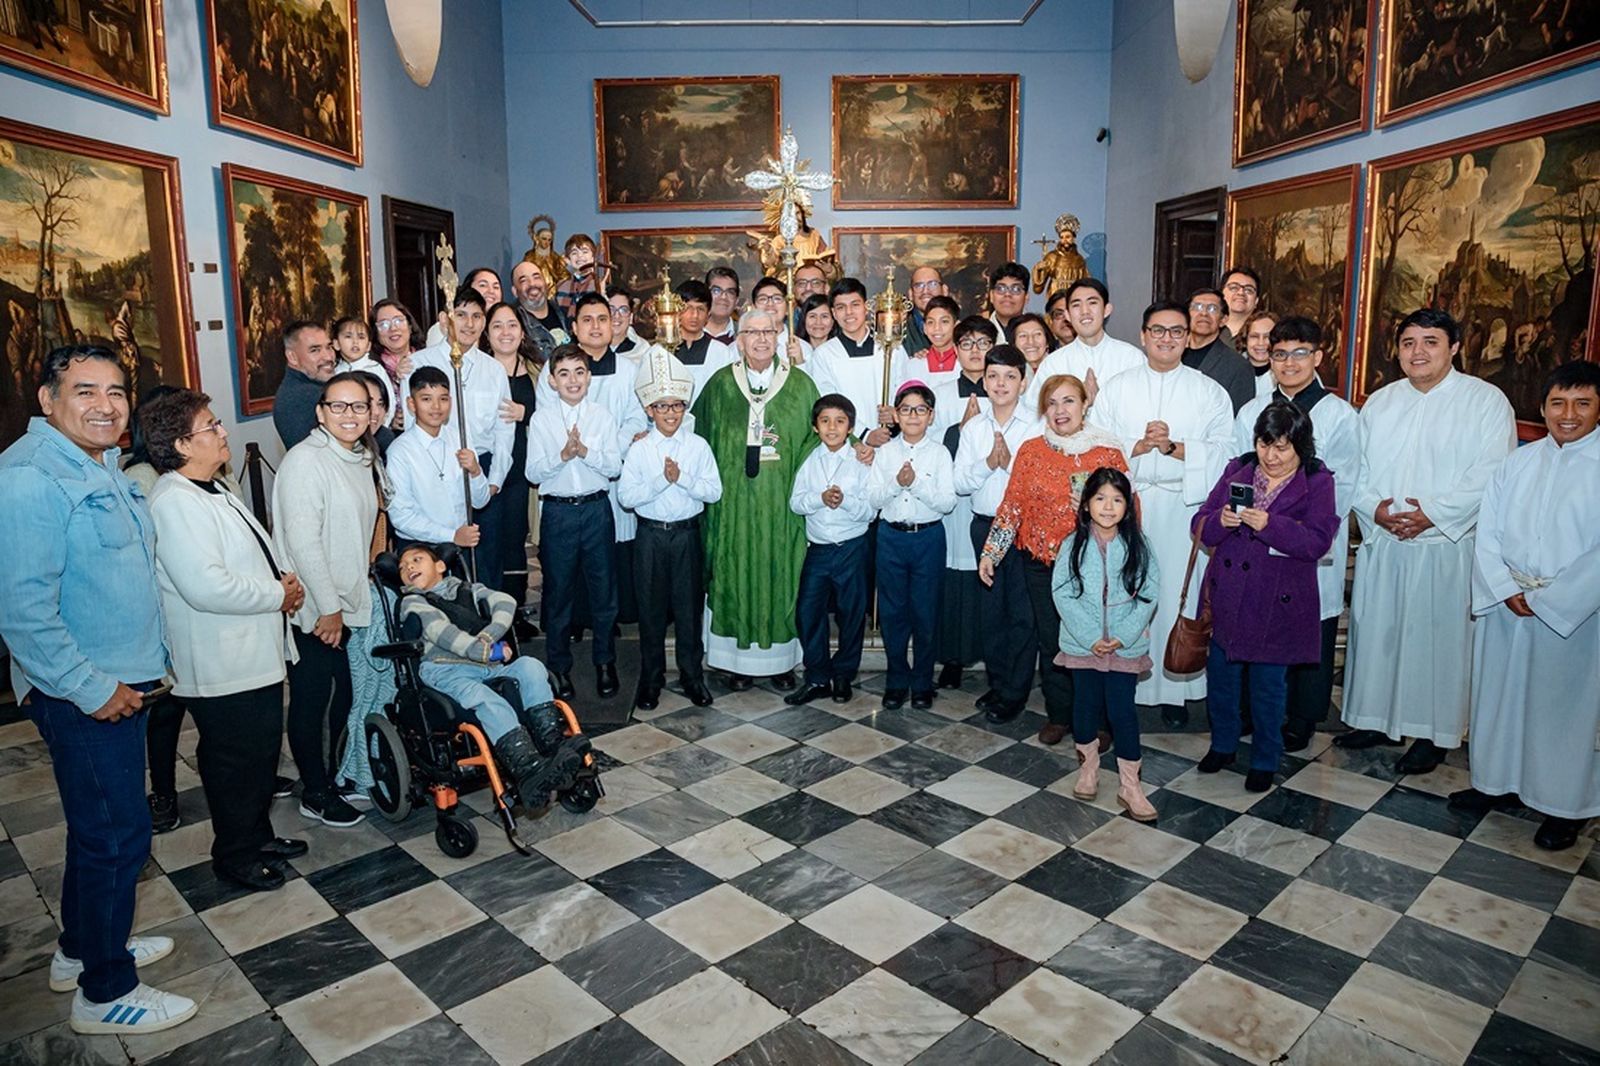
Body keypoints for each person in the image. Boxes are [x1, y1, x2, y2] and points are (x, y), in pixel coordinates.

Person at [0, 345, 197, 1034]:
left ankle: (82, 949)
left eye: (116, 391)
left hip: (120, 681)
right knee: (117, 834)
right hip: (85, 693)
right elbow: (24, 611)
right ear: (48, 398)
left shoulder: (99, 464)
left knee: (99, 831)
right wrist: (91, 687)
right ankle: (105, 992)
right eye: (85, 391)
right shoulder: (29, 479)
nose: (105, 405)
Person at [1337, 309, 1517, 774]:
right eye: (1409, 342)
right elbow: (1356, 469)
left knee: (1434, 642)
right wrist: (1375, 508)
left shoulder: (1485, 401)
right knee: (1380, 633)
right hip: (1386, 540)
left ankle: (1431, 733)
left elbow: (1493, 473)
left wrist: (1431, 514)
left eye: (1430, 342)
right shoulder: (1380, 402)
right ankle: (1374, 718)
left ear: (1454, 348)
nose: (1418, 352)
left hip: (1445, 547)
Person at [142, 389, 306, 892]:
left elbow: (255, 550)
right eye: (211, 426)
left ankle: (257, 836)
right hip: (221, 659)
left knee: (258, 755)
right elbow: (206, 586)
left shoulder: (213, 487)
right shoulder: (173, 501)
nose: (223, 431)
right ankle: (235, 855)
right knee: (234, 762)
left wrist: (282, 579)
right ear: (182, 444)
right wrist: (276, 593)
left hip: (250, 650)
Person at [1454, 361, 1600, 851]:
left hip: (1571, 613)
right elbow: (1488, 530)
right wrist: (1502, 587)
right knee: (1499, 698)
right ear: (1542, 408)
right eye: (1558, 403)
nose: (1568, 414)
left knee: (1562, 709)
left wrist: (1552, 600)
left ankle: (1565, 805)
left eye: (1582, 403)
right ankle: (1495, 783)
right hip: (1509, 600)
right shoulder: (1518, 462)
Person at [1092, 301, 1235, 726]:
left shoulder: (1208, 391)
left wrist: (1174, 448)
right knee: (1124, 595)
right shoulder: (1118, 387)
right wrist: (1136, 445)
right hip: (1127, 508)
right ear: (1142, 335)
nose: (1166, 339)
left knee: (1177, 593)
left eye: (1176, 331)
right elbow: (1098, 444)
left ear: (1188, 338)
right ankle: (1123, 684)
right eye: (1158, 330)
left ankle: (1175, 691)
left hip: (1181, 507)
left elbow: (1227, 452)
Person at [1194, 402, 1340, 791]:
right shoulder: (1237, 470)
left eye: (1281, 448)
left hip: (1278, 599)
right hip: (1229, 594)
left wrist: (1271, 525)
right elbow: (1200, 525)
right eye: (1264, 444)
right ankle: (1222, 745)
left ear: (1300, 447)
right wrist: (1218, 522)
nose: (1271, 457)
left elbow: (1319, 541)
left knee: (1268, 687)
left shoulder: (1317, 480)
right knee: (1222, 680)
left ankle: (1264, 759)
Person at [1233, 316, 1358, 751]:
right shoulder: (1252, 411)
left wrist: (1290, 528)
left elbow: (1344, 485)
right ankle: (1253, 711)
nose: (1288, 363)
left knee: (1308, 627)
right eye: (1280, 353)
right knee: (1258, 621)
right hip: (1257, 537)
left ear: (1318, 357)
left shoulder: (1339, 415)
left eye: (1299, 353)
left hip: (1307, 542)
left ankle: (1302, 716)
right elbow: (1239, 474)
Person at [980, 374, 1127, 737]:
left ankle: (1098, 721)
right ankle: (1060, 714)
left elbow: (1129, 507)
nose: (1060, 411)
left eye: (1069, 401)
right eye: (1052, 403)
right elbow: (1012, 506)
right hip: (1041, 563)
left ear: (1084, 404)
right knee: (1052, 642)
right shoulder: (1031, 450)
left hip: (1094, 564)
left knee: (1094, 642)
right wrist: (991, 552)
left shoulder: (1106, 451)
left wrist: (1094, 509)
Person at [271, 372, 384, 828]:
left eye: (358, 406)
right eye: (338, 406)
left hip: (346, 601)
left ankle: (332, 777)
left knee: (344, 695)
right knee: (313, 698)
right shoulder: (306, 462)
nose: (349, 415)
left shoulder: (357, 457)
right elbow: (303, 542)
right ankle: (315, 791)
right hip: (317, 609)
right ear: (320, 412)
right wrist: (329, 608)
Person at [395, 544, 588, 804]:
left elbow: (505, 602)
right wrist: (486, 651)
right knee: (486, 699)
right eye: (403, 567)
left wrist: (488, 637)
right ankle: (527, 769)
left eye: (417, 560)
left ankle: (553, 746)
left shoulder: (468, 590)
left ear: (440, 566)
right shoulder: (412, 602)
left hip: (485, 665)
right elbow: (443, 633)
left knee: (530, 666)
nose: (409, 567)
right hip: (445, 669)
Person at [693, 308, 821, 689]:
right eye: (752, 332)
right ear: (740, 339)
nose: (762, 339)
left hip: (781, 507)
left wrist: (856, 448)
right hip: (733, 507)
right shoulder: (719, 385)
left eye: (768, 331)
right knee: (734, 572)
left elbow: (820, 437)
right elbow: (697, 436)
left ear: (779, 335)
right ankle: (735, 663)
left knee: (781, 575)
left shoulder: (800, 385)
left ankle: (780, 663)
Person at [1052, 467, 1159, 820]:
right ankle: (1089, 768)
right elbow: (1063, 595)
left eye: (1117, 500)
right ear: (1085, 505)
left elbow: (1148, 595)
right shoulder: (1073, 545)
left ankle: (1131, 785)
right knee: (1084, 707)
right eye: (1100, 499)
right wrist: (1091, 637)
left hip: (1124, 648)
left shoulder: (1139, 546)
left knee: (1122, 713)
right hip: (1084, 646)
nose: (1108, 507)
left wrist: (1122, 636)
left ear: (1128, 507)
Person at [619, 350, 721, 710]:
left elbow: (713, 491)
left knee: (689, 609)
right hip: (650, 537)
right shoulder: (640, 450)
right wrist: (662, 482)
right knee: (651, 610)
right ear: (649, 410)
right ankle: (651, 680)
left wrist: (684, 478)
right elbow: (626, 496)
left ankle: (693, 677)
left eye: (677, 406)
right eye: (662, 407)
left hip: (686, 536)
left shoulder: (697, 446)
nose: (670, 414)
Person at [526, 345, 623, 699]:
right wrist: (562, 455)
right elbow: (533, 472)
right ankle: (559, 667)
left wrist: (584, 452)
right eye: (564, 373)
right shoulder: (542, 420)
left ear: (589, 376)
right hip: (559, 513)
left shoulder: (602, 416)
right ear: (552, 380)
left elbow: (613, 467)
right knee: (558, 592)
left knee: (603, 591)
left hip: (597, 510)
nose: (572, 380)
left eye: (579, 372)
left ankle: (605, 662)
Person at [405, 288, 515, 590]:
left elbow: (504, 428)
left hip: (482, 466)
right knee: (442, 552)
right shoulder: (419, 363)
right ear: (445, 319)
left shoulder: (493, 370)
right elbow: (409, 419)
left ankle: (490, 625)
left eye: (477, 316)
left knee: (487, 555)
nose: (469, 324)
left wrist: (496, 477)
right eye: (461, 315)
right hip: (435, 465)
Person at [957, 346, 1040, 706]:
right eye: (993, 376)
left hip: (1023, 529)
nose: (1000, 384)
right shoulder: (974, 427)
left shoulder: (1037, 426)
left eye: (1009, 376)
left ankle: (1016, 692)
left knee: (1021, 612)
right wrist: (990, 462)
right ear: (984, 381)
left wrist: (1008, 467)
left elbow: (1038, 483)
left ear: (1023, 382)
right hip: (984, 526)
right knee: (991, 612)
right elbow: (960, 482)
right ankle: (998, 682)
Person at [869, 381, 957, 709]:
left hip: (928, 538)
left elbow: (947, 502)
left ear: (931, 416)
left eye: (920, 409)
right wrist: (897, 483)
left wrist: (915, 484)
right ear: (895, 414)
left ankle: (922, 682)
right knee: (893, 613)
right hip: (891, 537)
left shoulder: (939, 453)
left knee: (924, 612)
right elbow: (874, 497)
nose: (913, 416)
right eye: (906, 409)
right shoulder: (886, 452)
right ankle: (896, 680)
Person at [788, 394, 876, 706]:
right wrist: (819, 499)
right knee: (808, 613)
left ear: (850, 426)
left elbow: (870, 509)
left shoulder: (861, 461)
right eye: (825, 421)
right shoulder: (809, 461)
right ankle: (817, 677)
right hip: (819, 550)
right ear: (815, 427)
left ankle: (843, 675)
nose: (832, 427)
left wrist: (844, 501)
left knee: (852, 614)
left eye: (840, 421)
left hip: (852, 548)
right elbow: (795, 502)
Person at [386, 366, 490, 552]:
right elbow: (401, 516)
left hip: (459, 547)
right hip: (419, 548)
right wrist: (451, 536)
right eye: (426, 399)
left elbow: (480, 501)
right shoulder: (400, 451)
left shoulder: (460, 438)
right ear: (411, 404)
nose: (436, 407)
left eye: (443, 399)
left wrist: (475, 472)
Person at [481, 301, 539, 619]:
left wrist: (525, 413)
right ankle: (489, 612)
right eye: (498, 326)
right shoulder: (476, 370)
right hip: (487, 471)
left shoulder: (535, 371)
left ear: (522, 331)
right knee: (490, 541)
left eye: (512, 325)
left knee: (517, 540)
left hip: (523, 471)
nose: (506, 332)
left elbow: (553, 416)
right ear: (487, 334)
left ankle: (515, 614)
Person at [1027, 278, 1145, 408]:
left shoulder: (1131, 358)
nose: (1085, 311)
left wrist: (1101, 402)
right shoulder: (1053, 363)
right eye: (1076, 305)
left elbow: (1143, 407)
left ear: (1106, 310)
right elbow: (1035, 410)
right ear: (1068, 315)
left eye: (1092, 303)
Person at [809, 278, 894, 447]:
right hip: (849, 444)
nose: (849, 313)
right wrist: (864, 434)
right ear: (833, 313)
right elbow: (829, 404)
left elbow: (903, 390)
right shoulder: (824, 355)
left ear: (866, 307)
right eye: (841, 307)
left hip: (891, 438)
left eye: (855, 305)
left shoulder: (891, 347)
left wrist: (895, 415)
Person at [1184, 287, 1257, 414]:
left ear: (1223, 320)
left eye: (1212, 308)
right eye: (1197, 307)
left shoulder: (1238, 366)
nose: (1204, 313)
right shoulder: (1171, 356)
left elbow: (1239, 418)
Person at [667, 279, 736, 402]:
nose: (694, 315)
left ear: (708, 314)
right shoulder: (661, 351)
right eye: (688, 308)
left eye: (700, 309)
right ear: (676, 311)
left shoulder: (722, 353)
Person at [273, 320, 337, 448]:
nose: (328, 357)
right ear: (292, 357)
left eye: (329, 347)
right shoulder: (305, 395)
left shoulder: (310, 388)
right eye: (315, 350)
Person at [889, 294, 960, 394]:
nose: (937, 328)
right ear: (925, 328)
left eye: (944, 322)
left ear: (956, 326)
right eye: (931, 322)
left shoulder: (965, 364)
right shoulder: (914, 365)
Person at [370, 299, 422, 431]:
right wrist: (388, 420)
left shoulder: (427, 358)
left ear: (410, 326)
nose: (393, 328)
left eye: (399, 320)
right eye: (384, 324)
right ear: (376, 333)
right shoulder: (372, 367)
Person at [425, 267, 504, 346]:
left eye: (496, 287)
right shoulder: (444, 327)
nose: (491, 291)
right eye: (483, 285)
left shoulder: (502, 328)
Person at [511, 259, 570, 365]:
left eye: (536, 277)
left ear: (545, 283)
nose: (532, 284)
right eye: (524, 280)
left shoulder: (564, 311)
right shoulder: (514, 324)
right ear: (515, 292)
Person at [333, 315, 394, 413]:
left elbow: (389, 402)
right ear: (336, 344)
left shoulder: (375, 369)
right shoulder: (333, 370)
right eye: (348, 336)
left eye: (361, 337)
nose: (355, 342)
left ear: (368, 346)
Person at [902, 266, 948, 359]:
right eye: (919, 285)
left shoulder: (958, 329)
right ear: (911, 294)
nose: (925, 291)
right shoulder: (900, 331)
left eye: (933, 284)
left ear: (944, 290)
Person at [554, 237, 605, 322]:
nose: (580, 256)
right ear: (567, 260)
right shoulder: (561, 286)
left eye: (585, 252)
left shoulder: (600, 285)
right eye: (574, 253)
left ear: (594, 257)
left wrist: (602, 295)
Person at [1219, 266, 1262, 350]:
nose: (1241, 293)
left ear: (1256, 301)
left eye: (1248, 290)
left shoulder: (1263, 337)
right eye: (1234, 288)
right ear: (1221, 295)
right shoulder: (1206, 329)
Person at [1240, 310, 1278, 401]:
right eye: (1254, 336)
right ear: (1246, 340)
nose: (1261, 343)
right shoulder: (1232, 368)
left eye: (1267, 337)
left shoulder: (1289, 372)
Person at [1010, 312, 1053, 386]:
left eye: (1037, 334)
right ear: (1014, 344)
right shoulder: (1007, 373)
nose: (1031, 342)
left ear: (1047, 342)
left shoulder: (1060, 367)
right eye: (1023, 336)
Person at [987, 262, 1030, 336]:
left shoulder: (1038, 333)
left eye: (1016, 289)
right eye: (1001, 288)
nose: (1007, 294)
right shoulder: (979, 334)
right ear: (991, 296)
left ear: (1026, 297)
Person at [704, 266, 741, 345]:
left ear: (736, 301)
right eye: (716, 291)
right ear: (705, 295)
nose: (723, 297)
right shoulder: (689, 333)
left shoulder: (745, 334)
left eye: (730, 292)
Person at [797, 293, 836, 359]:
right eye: (812, 316)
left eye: (824, 316)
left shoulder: (840, 352)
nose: (818, 322)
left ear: (833, 321)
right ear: (804, 319)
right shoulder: (795, 349)